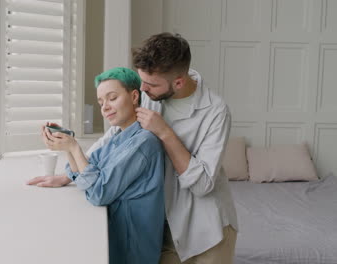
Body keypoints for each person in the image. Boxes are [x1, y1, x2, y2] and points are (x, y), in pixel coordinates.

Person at [29, 32, 238, 264]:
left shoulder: (215, 112)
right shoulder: (149, 91)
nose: (143, 89)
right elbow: (114, 137)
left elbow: (202, 185)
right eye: (141, 81)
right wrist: (70, 173)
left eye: (150, 84)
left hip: (203, 231)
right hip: (160, 223)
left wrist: (165, 133)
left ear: (178, 82)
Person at [28, 67, 165, 264]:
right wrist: (67, 144)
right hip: (116, 238)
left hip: (132, 248)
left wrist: (74, 148)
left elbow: (99, 192)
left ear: (134, 97)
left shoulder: (144, 142)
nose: (105, 107)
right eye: (101, 102)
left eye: (112, 98)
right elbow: (82, 173)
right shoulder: (118, 136)